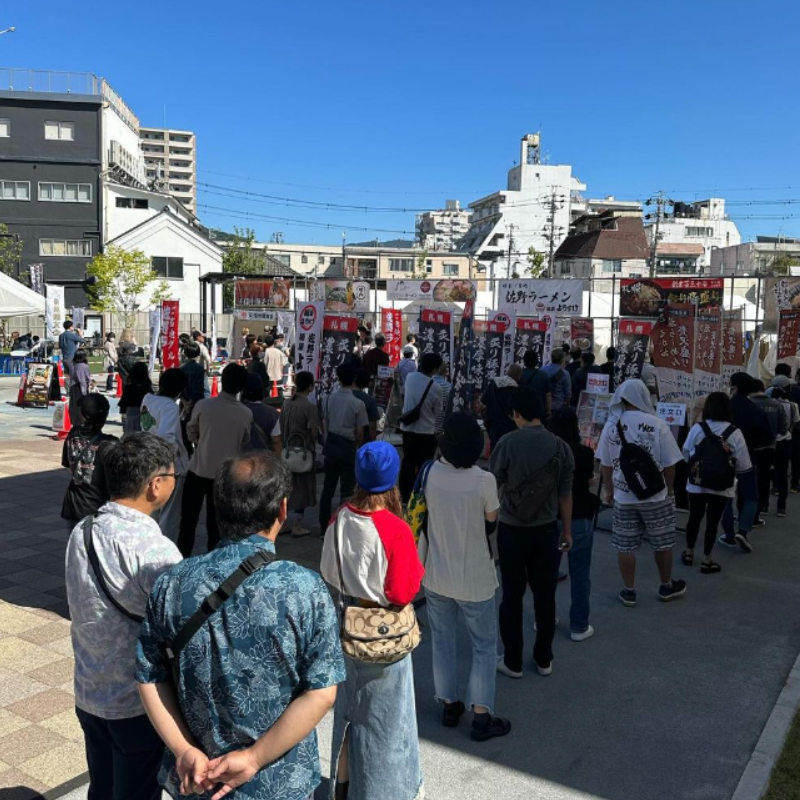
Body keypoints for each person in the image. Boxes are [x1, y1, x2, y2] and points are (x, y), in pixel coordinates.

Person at [136, 452, 345, 800]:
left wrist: (183, 749)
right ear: (282, 509)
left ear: (218, 508)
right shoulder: (304, 588)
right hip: (279, 780)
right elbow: (322, 692)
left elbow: (148, 676)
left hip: (198, 778)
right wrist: (252, 758)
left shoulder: (172, 584)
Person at [66, 433, 182, 800]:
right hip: (138, 703)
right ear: (155, 485)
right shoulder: (156, 550)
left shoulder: (80, 532)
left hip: (90, 689)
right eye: (173, 476)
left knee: (101, 786)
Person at [320, 442, 425, 800]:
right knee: (386, 725)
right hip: (384, 634)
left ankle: (342, 785)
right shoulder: (396, 529)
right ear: (394, 479)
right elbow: (402, 591)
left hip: (346, 624)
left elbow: (328, 571)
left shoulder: (340, 517)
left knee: (348, 715)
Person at [420, 413, 510, 741]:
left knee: (442, 640)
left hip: (436, 572)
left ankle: (448, 703)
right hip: (475, 577)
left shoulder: (429, 473)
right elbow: (491, 520)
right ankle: (482, 716)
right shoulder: (483, 480)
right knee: (483, 645)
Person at [489, 388, 574, 678]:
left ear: (516, 414)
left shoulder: (507, 443)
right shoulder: (561, 447)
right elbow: (565, 494)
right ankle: (544, 658)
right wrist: (568, 530)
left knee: (511, 596)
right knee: (545, 595)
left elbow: (492, 483)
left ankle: (512, 660)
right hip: (547, 530)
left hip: (512, 528)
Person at [596, 379, 686, 607]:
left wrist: (608, 489)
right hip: (656, 495)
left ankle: (629, 590)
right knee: (662, 543)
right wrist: (669, 489)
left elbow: (605, 464)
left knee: (625, 545)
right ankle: (666, 585)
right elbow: (670, 464)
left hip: (623, 496)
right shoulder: (657, 424)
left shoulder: (611, 425)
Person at [179, 363, 252, 557]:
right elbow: (244, 441)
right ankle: (213, 565)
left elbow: (191, 431)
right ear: (241, 386)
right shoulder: (245, 413)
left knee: (188, 522)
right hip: (225, 475)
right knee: (216, 525)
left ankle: (182, 559)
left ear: (222, 381)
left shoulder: (204, 405)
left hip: (198, 468)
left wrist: (200, 440)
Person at [681, 392, 752, 573]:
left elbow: (686, 453)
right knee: (713, 521)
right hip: (722, 485)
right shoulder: (735, 433)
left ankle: (689, 553)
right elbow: (744, 464)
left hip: (697, 482)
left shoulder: (698, 428)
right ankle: (707, 559)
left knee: (694, 518)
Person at [549, 408, 599, 641]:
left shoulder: (547, 452)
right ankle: (579, 625)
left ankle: (544, 618)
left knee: (547, 571)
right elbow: (587, 480)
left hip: (549, 518)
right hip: (580, 516)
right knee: (580, 572)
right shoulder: (584, 453)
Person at [719, 372, 771, 551]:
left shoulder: (725, 408)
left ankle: (729, 534)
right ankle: (743, 529)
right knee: (750, 496)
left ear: (735, 387)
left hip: (723, 457)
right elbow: (767, 437)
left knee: (725, 497)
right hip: (749, 456)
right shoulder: (757, 411)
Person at [319, 363, 369, 533]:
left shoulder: (328, 399)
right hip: (348, 446)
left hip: (332, 444)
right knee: (347, 489)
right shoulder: (358, 404)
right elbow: (360, 432)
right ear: (354, 379)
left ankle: (324, 525)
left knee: (328, 487)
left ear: (338, 378)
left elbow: (325, 422)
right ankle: (342, 526)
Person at [141, 368, 189, 542]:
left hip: (148, 460)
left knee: (152, 509)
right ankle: (166, 551)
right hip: (168, 465)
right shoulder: (170, 406)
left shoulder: (148, 399)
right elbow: (166, 436)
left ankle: (149, 545)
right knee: (170, 514)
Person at [61, 394, 118, 524]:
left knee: (77, 543)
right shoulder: (111, 443)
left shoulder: (72, 435)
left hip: (74, 505)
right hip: (100, 507)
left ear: (83, 415)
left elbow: (68, 466)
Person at [399, 352, 444, 503]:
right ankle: (422, 496)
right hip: (426, 432)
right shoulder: (436, 388)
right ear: (435, 369)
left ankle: (405, 495)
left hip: (408, 429)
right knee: (424, 465)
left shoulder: (410, 378)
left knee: (408, 462)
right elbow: (438, 414)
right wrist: (439, 433)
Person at [282, 370, 320, 538]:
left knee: (285, 487)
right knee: (303, 487)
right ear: (310, 386)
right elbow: (313, 432)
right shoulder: (309, 407)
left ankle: (282, 522)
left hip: (286, 449)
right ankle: (297, 524)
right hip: (303, 451)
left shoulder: (287, 403)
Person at [750, 379, 787, 519]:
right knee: (764, 477)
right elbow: (783, 428)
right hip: (769, 446)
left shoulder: (749, 404)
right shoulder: (777, 405)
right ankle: (763, 505)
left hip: (750, 447)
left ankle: (750, 506)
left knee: (749, 477)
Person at [770, 387, 798, 517]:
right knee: (783, 470)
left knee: (768, 470)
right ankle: (781, 507)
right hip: (786, 439)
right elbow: (796, 421)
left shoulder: (771, 405)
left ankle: (765, 504)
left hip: (770, 440)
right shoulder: (793, 406)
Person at [482, 363, 522, 449]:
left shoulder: (494, 383)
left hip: (493, 423)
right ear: (518, 375)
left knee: (495, 449)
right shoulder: (516, 390)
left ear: (507, 372)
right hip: (509, 425)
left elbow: (483, 400)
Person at [242, 373, 282, 454]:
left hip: (242, 459)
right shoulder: (273, 413)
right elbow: (276, 441)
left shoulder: (237, 411)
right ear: (261, 390)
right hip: (264, 459)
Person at [119, 362, 153, 435]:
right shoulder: (147, 388)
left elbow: (123, 405)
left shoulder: (128, 388)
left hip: (131, 414)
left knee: (131, 439)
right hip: (145, 415)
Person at [519, 350, 552, 419]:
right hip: (539, 410)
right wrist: (549, 410)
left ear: (524, 361)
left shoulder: (519, 375)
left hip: (523, 409)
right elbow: (548, 395)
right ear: (537, 361)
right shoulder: (544, 375)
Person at [353, 369, 379, 443]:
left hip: (345, 439)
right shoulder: (370, 400)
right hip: (363, 440)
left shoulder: (345, 396)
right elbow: (372, 426)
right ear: (367, 383)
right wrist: (373, 442)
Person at [543, 349, 571, 414]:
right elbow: (567, 393)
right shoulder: (565, 373)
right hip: (558, 406)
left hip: (544, 404)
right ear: (562, 359)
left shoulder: (542, 369)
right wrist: (568, 405)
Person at [69, 350, 92, 426]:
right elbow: (82, 379)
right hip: (80, 387)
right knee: (81, 405)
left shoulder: (73, 364)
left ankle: (75, 421)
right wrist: (85, 391)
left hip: (73, 386)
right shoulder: (83, 366)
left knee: (74, 405)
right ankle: (82, 421)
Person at [433, 360, 452, 437]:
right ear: (446, 372)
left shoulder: (427, 384)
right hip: (442, 426)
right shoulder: (449, 387)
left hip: (427, 426)